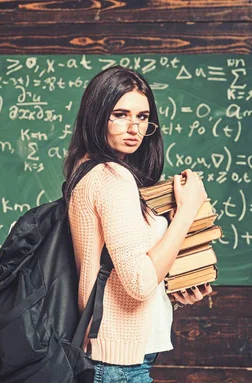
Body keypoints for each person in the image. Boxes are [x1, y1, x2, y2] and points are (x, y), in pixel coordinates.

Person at [63, 66, 213, 383]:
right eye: (120, 114)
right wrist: (187, 210)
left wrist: (172, 292)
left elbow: (122, 274)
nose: (134, 127)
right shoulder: (112, 178)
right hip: (118, 364)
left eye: (143, 117)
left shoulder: (91, 170)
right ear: (97, 115)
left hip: (116, 355)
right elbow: (138, 282)